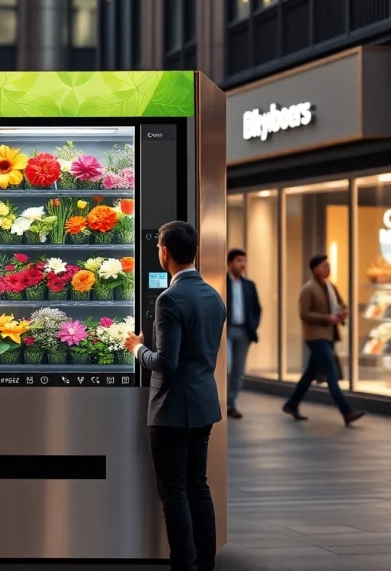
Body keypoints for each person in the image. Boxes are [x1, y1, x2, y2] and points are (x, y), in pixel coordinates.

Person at [123, 221, 225, 571]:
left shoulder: (170, 299)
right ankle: (206, 562)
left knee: (174, 493)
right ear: (194, 251)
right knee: (199, 486)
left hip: (171, 409)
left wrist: (137, 349)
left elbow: (166, 362)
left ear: (164, 252)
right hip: (203, 403)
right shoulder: (214, 295)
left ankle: (183, 565)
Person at [282, 255, 366, 425]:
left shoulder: (330, 287)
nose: (328, 268)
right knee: (331, 373)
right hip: (315, 336)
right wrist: (327, 318)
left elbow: (342, 304)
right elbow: (303, 314)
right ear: (315, 269)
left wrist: (343, 312)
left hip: (329, 336)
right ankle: (346, 411)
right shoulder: (308, 289)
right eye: (324, 266)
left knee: (310, 374)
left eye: (329, 265)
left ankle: (291, 403)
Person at [225, 249, 261, 419]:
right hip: (226, 330)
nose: (242, 264)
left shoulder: (249, 285)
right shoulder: (222, 282)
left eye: (244, 261)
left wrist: (252, 326)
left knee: (238, 370)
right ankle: (220, 401)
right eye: (239, 260)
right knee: (227, 367)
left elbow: (256, 308)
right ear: (230, 263)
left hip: (243, 331)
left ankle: (231, 403)